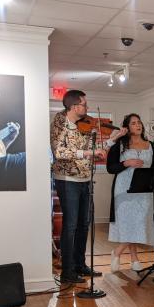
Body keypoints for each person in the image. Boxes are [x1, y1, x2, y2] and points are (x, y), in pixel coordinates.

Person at [51, 90, 126, 283]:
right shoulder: (60, 123)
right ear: (74, 106)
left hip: (85, 178)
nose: (88, 108)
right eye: (85, 104)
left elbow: (93, 150)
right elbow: (59, 151)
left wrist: (113, 139)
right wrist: (86, 155)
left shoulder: (86, 125)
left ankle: (79, 265)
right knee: (70, 225)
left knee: (84, 224)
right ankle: (67, 271)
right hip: (67, 179)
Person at [106, 113, 154, 272]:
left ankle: (117, 252)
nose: (138, 125)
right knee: (129, 223)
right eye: (134, 123)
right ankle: (134, 259)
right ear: (127, 127)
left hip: (144, 189)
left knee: (138, 222)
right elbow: (110, 168)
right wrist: (126, 162)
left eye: (139, 122)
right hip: (124, 189)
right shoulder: (120, 144)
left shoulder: (151, 144)